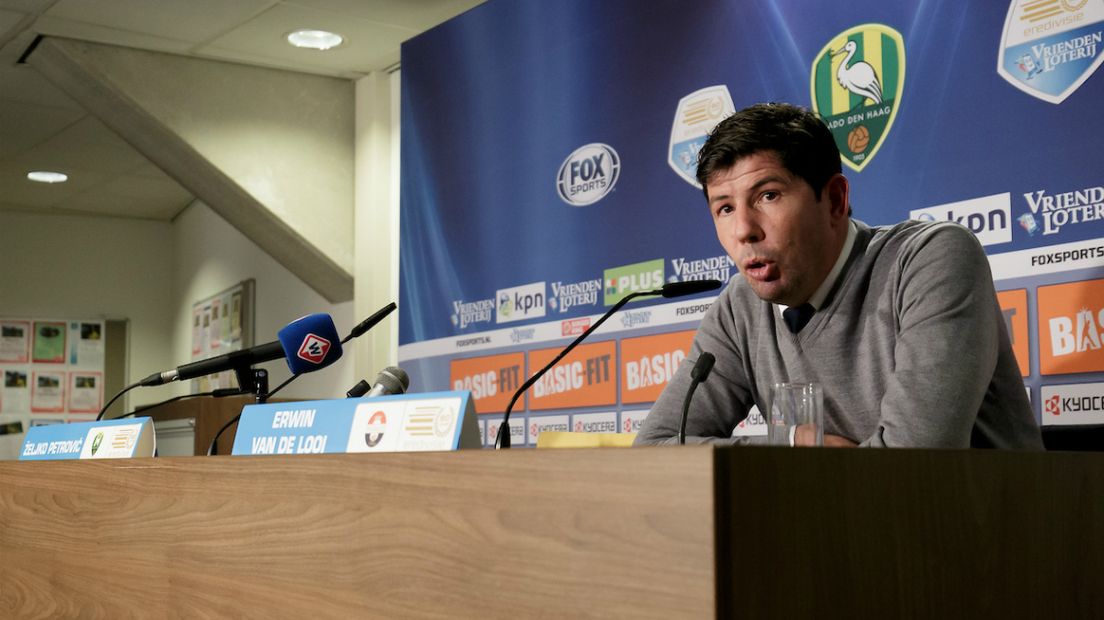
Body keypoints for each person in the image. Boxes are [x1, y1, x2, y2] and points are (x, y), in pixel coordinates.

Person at [635, 103, 1042, 448]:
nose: (744, 229)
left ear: (834, 200)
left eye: (768, 196)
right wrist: (795, 442)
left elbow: (915, 463)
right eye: (724, 208)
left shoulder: (929, 259)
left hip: (977, 532)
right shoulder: (740, 306)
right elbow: (657, 446)